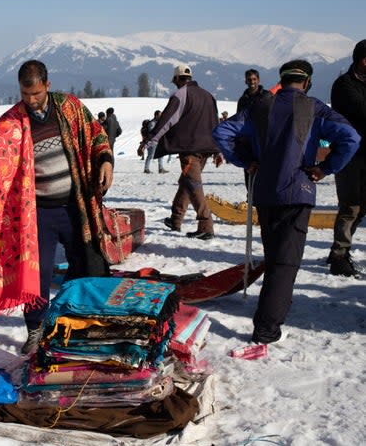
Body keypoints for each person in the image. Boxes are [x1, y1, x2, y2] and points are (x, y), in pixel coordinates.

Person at [0, 59, 113, 353]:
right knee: (36, 277)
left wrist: (105, 160)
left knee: (85, 264)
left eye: (37, 94)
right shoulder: (12, 122)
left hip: (76, 205)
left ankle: (77, 320)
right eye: (25, 95)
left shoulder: (70, 107)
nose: (31, 101)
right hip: (38, 213)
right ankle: (36, 329)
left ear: (47, 86)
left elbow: (97, 136)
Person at [213, 59, 360, 344]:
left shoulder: (259, 106)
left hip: (265, 192)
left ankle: (274, 312)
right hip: (298, 190)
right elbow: (351, 138)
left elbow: (221, 132)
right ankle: (267, 329)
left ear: (281, 80)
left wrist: (245, 161)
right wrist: (325, 168)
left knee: (275, 258)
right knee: (285, 264)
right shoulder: (315, 108)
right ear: (306, 82)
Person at [138, 64, 223, 240]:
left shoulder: (180, 94)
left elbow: (166, 121)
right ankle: (175, 220)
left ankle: (206, 225)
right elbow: (215, 124)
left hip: (189, 149)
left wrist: (148, 141)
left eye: (174, 80)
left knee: (194, 186)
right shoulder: (209, 96)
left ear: (177, 79)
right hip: (206, 149)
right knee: (187, 182)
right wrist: (218, 150)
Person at [326, 39, 366, 277]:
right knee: (350, 206)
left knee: (361, 207)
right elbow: (360, 110)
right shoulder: (344, 84)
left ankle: (339, 248)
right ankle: (339, 255)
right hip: (350, 154)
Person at [236, 69, 274, 191]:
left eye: (254, 79)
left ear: (258, 80)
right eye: (249, 79)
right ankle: (251, 198)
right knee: (250, 173)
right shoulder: (243, 100)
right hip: (248, 143)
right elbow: (239, 120)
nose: (252, 82)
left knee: (266, 173)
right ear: (245, 81)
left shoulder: (267, 96)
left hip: (264, 141)